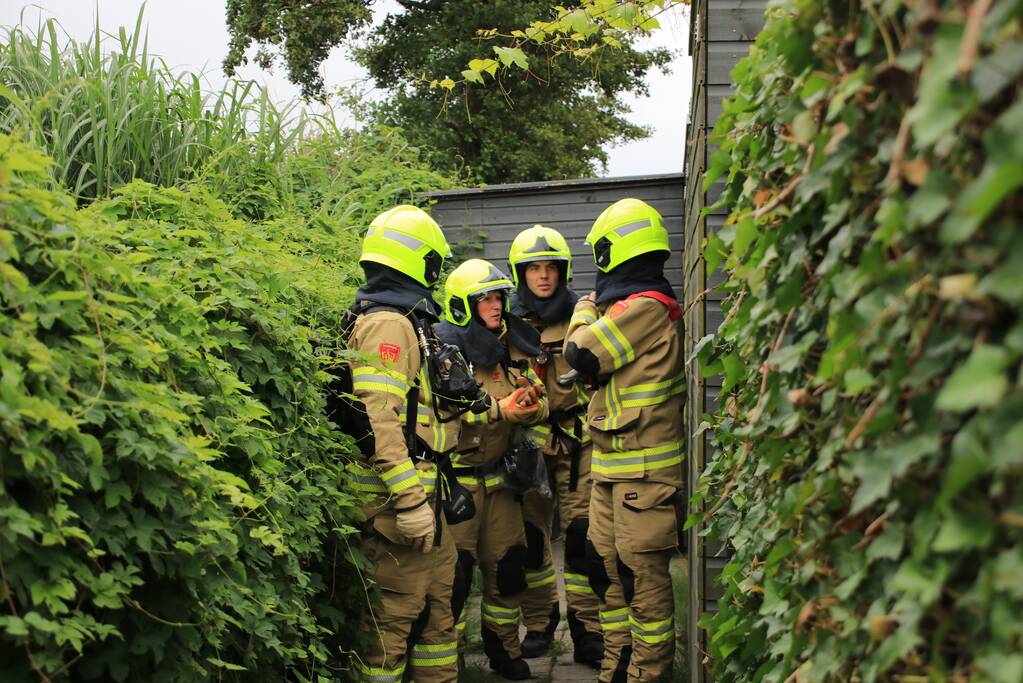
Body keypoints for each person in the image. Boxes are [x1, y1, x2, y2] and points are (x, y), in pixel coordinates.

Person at [330, 205, 462, 683]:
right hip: (396, 510)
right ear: (420, 261)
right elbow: (377, 417)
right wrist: (408, 502)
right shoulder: (388, 323)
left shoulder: (407, 320)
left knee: (438, 620)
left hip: (427, 502)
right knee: (390, 632)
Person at [564, 198, 685, 683]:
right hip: (613, 470)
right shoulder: (631, 308)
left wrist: (583, 306)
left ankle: (646, 675)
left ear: (616, 250)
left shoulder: (646, 307)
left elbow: (579, 353)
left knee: (642, 587)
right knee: (605, 576)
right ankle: (616, 668)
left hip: (645, 476)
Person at [435, 259, 549, 681]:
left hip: (501, 487)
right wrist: (501, 411)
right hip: (458, 490)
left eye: (499, 296)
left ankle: (503, 649)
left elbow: (538, 399)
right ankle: (450, 661)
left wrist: (534, 405)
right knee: (456, 581)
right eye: (485, 298)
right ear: (464, 305)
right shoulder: (444, 355)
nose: (496, 305)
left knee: (509, 568)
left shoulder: (509, 349)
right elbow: (449, 413)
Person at [507, 225, 603, 667]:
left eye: (550, 268)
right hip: (530, 449)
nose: (543, 277)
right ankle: (541, 623)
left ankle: (587, 630)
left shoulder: (585, 315)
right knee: (530, 540)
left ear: (562, 271)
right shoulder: (506, 324)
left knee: (584, 539)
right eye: (533, 268)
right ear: (520, 273)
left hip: (578, 444)